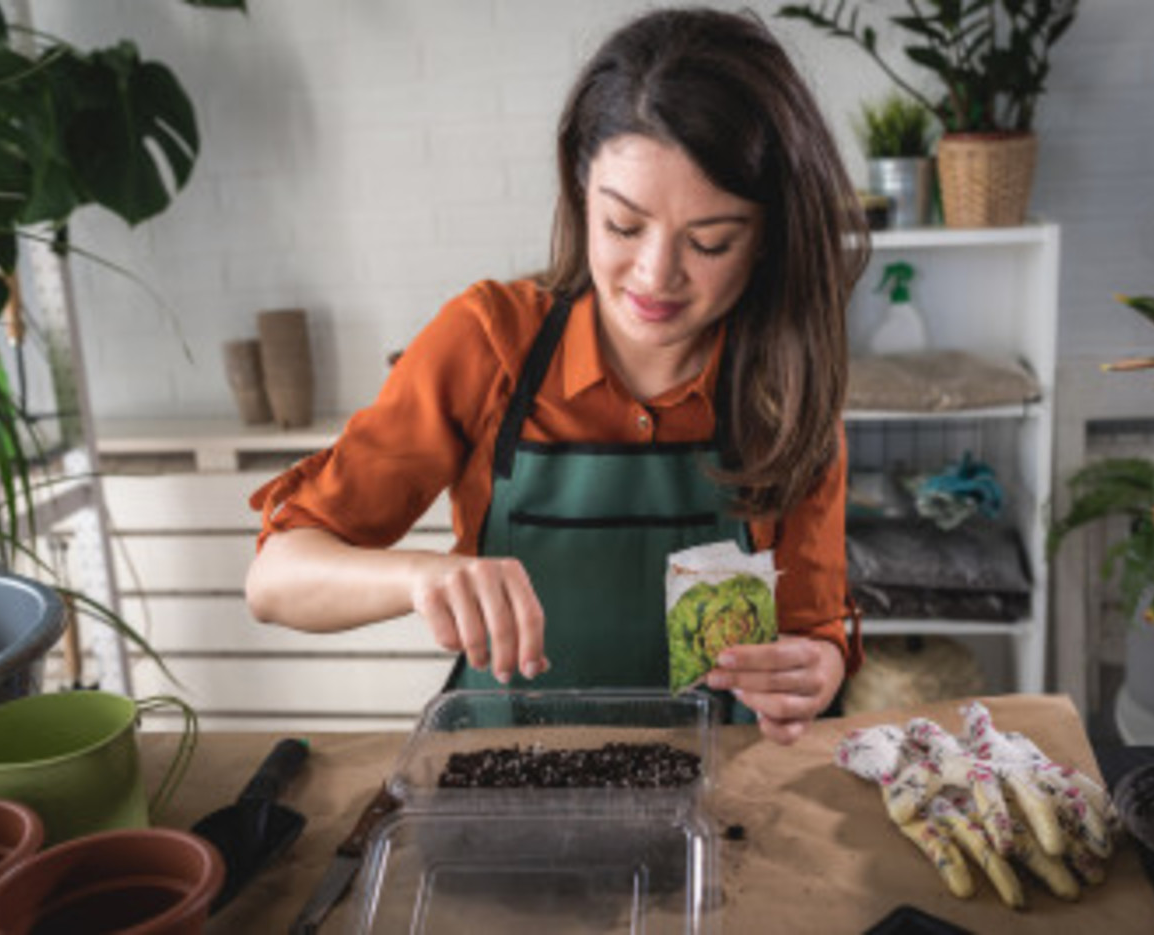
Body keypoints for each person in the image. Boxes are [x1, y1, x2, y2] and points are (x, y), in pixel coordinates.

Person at [245, 6, 868, 745]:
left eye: (710, 241)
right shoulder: (489, 345)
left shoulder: (784, 389)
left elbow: (813, 630)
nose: (655, 274)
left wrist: (816, 664)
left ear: (769, 238)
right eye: (624, 226)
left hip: (718, 791)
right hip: (507, 773)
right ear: (580, 192)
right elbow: (274, 580)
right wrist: (419, 577)